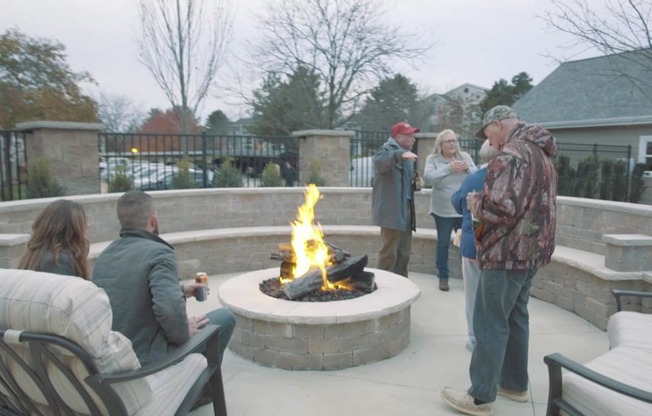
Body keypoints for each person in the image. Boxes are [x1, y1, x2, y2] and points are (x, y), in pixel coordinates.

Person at [441, 105, 558, 416]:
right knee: (516, 317)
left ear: (497, 125)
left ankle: (480, 396)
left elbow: (502, 208)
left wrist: (473, 201)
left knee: (489, 321)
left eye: (487, 133)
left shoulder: (511, 155)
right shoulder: (540, 153)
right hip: (531, 252)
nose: (488, 141)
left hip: (506, 253)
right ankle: (514, 384)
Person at [92, 190, 236, 368]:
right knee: (226, 317)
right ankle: (201, 389)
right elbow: (168, 309)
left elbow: (130, 296)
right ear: (152, 221)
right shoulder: (160, 253)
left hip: (117, 355)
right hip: (148, 360)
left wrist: (181, 291)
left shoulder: (105, 255)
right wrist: (184, 333)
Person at [450, 140, 498, 352]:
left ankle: (474, 338)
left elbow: (458, 203)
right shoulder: (507, 179)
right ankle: (493, 338)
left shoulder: (474, 178)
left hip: (472, 246)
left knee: (473, 296)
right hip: (497, 247)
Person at [423, 129, 477, 291]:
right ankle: (443, 277)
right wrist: (449, 168)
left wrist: (467, 169)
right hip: (443, 211)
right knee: (443, 244)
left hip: (464, 210)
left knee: (468, 242)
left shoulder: (465, 157)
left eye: (454, 140)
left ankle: (469, 277)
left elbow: (478, 174)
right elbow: (428, 178)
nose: (452, 144)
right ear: (441, 144)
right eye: (448, 141)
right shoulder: (433, 160)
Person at [372, 121, 419, 278]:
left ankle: (402, 287)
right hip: (391, 211)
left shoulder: (407, 154)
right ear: (398, 137)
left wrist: (415, 181)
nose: (414, 139)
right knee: (389, 252)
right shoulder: (385, 151)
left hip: (406, 208)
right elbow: (380, 163)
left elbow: (405, 182)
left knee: (404, 252)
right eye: (410, 136)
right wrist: (399, 155)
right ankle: (384, 287)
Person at [18, 199, 90, 279]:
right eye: (83, 224)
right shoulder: (58, 262)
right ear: (72, 230)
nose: (87, 226)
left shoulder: (35, 255)